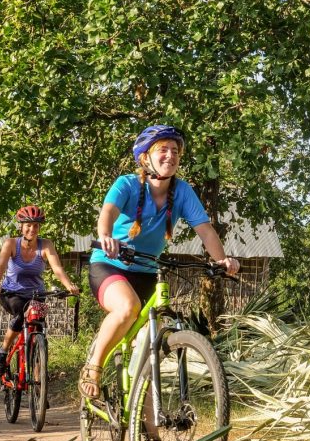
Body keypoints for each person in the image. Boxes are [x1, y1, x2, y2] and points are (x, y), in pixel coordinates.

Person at [78, 125, 240, 402]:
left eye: (175, 151)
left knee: (148, 350)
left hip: (148, 270)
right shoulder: (127, 184)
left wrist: (221, 260)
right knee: (128, 307)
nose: (170, 155)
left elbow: (205, 229)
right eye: (162, 150)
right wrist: (105, 236)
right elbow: (108, 212)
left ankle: (151, 435)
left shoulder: (182, 191)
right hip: (111, 265)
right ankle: (92, 368)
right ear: (145, 157)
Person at [0, 205, 81, 376]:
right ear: (21, 227)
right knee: (20, 316)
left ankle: (39, 381)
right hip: (12, 294)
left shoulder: (45, 245)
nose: (32, 229)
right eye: (28, 225)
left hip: (36, 294)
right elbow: (0, 266)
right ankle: (3, 352)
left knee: (39, 327)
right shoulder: (11, 244)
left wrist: (69, 285)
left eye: (36, 226)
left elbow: (57, 269)